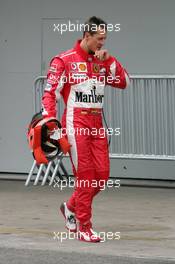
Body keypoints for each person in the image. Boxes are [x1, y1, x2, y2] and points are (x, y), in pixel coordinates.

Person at [42, 16, 130, 242]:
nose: (102, 43)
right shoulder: (63, 60)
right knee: (86, 177)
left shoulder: (102, 60)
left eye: (105, 39)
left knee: (101, 177)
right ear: (86, 36)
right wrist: (51, 124)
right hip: (75, 124)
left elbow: (125, 82)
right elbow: (49, 93)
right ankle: (85, 227)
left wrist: (110, 60)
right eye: (99, 39)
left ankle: (70, 207)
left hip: (97, 126)